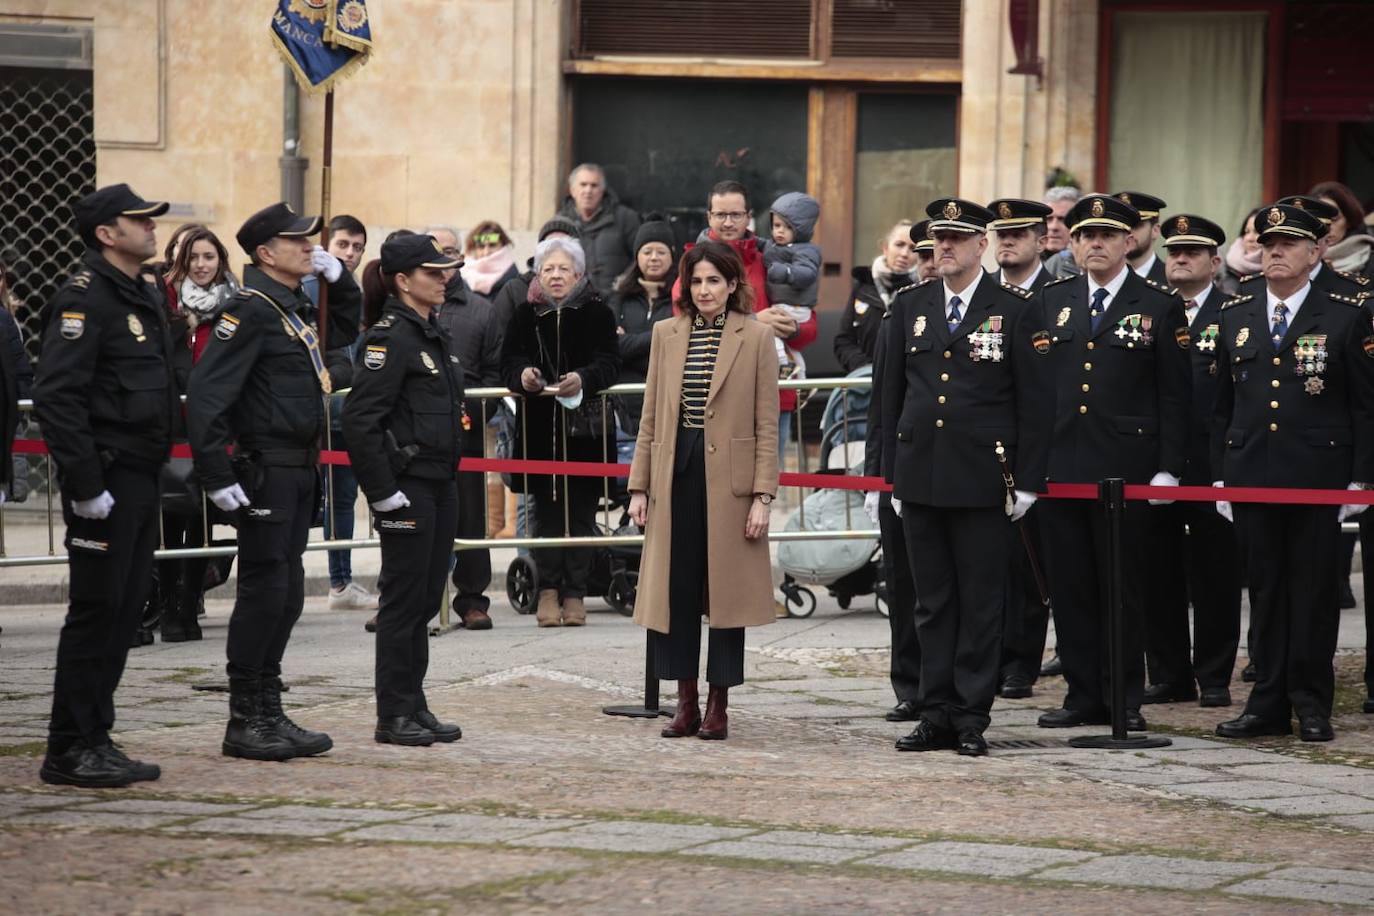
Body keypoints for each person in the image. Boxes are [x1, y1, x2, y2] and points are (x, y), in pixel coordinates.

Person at [188, 201, 360, 761]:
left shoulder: (291, 307)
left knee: (285, 596)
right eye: (298, 240)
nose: (311, 247)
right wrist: (215, 472)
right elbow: (209, 398)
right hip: (267, 468)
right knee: (264, 592)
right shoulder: (250, 311)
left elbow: (343, 333)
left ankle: (269, 706)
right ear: (266, 253)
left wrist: (347, 282)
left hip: (300, 466)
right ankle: (244, 719)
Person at [879, 199, 1048, 756]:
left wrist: (1027, 483)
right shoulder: (911, 306)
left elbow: (1035, 401)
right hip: (921, 474)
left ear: (982, 245)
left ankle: (971, 714)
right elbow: (892, 396)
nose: (943, 248)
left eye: (955, 238)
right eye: (937, 239)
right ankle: (935, 711)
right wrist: (890, 477)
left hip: (983, 475)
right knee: (931, 603)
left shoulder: (1016, 309)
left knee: (980, 602)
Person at [1212, 202, 1374, 742]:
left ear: (1318, 250)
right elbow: (1220, 406)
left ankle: (1310, 702)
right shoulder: (1235, 313)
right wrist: (1220, 475)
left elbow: (1364, 404)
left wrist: (1359, 478)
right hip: (1252, 469)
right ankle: (1266, 702)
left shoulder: (1348, 312)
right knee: (1265, 589)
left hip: (1317, 474)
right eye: (1267, 243)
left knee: (1311, 592)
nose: (1274, 252)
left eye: (1287, 244)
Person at [35, 183, 174, 787]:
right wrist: (86, 482)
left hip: (141, 474)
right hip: (107, 477)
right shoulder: (84, 299)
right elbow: (57, 396)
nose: (150, 227)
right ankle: (67, 747)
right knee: (97, 610)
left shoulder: (140, 294)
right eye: (137, 220)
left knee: (124, 611)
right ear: (106, 234)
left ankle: (96, 735)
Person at [1034, 193, 1190, 732]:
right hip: (1061, 467)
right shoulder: (1052, 300)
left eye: (1105, 235)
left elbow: (1175, 395)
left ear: (1129, 241)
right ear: (1073, 244)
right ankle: (1083, 695)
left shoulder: (1159, 304)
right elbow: (1035, 389)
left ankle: (1124, 698)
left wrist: (1169, 466)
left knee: (1121, 590)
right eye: (1083, 236)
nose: (1093, 244)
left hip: (1126, 468)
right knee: (1071, 588)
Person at [628, 241, 779, 740]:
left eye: (715, 280)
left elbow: (766, 422)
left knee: (726, 594)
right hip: (677, 469)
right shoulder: (666, 334)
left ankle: (719, 704)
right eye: (696, 281)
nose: (705, 289)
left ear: (732, 284)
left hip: (731, 482)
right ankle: (685, 701)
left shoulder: (755, 337)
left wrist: (763, 495)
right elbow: (651, 416)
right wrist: (640, 487)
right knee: (678, 589)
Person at [343, 234, 466, 746]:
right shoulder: (390, 337)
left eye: (445, 271)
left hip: (440, 483)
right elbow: (360, 420)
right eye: (432, 272)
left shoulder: (429, 333)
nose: (443, 278)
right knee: (402, 602)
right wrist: (382, 491)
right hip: (408, 486)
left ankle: (414, 703)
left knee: (424, 602)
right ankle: (392, 713)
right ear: (402, 281)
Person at [1141, 215, 1242, 708]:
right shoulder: (1149, 311)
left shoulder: (1231, 312)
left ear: (1214, 262)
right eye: (1174, 252)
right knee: (1156, 574)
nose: (1180, 259)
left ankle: (1215, 674)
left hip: (1208, 463)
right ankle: (1168, 672)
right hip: (1156, 462)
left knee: (1215, 575)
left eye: (1192, 253)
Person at [500, 236, 621, 627]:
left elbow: (609, 363)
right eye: (548, 268)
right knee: (545, 515)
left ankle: (576, 593)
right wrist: (523, 375)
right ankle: (548, 591)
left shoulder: (598, 312)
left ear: (578, 274)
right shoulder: (524, 314)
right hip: (539, 429)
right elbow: (508, 361)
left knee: (582, 514)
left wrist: (584, 378)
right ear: (538, 273)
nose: (555, 276)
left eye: (563, 269)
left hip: (585, 429)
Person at [680, 181, 817, 459]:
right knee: (721, 487)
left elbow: (810, 327)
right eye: (720, 214)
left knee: (768, 486)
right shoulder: (694, 262)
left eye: (735, 215)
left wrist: (793, 328)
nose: (728, 222)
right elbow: (684, 325)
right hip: (716, 391)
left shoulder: (773, 257)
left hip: (772, 391)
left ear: (749, 216)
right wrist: (755, 322)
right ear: (709, 216)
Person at [985, 199, 1055, 699]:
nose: (1007, 241)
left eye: (1019, 233)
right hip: (990, 449)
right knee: (991, 562)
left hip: (1045, 445)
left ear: (1042, 240)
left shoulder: (1058, 295)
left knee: (1035, 564)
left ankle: (1021, 663)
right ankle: (989, 656)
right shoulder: (982, 295)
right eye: (1000, 234)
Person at [158, 224, 239, 642]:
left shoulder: (235, 303)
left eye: (209, 257)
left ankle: (189, 603)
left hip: (217, 431)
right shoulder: (166, 303)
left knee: (205, 522)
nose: (202, 265)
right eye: (194, 258)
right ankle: (167, 603)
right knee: (172, 518)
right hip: (175, 429)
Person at [434, 231, 503, 631]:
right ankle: (403, 596)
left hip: (466, 430)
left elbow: (493, 373)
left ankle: (473, 599)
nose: (439, 262)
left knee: (471, 515)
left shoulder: (481, 310)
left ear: (459, 258)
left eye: (446, 252)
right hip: (416, 432)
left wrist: (474, 412)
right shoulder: (406, 308)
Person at [313, 214, 377, 613]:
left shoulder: (350, 289)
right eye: (343, 245)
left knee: (346, 498)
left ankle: (343, 581)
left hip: (353, 415)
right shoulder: (316, 284)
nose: (350, 254)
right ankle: (338, 580)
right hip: (321, 415)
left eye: (357, 247)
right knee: (331, 499)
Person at [611, 214, 678, 463]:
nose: (653, 258)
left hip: (668, 406)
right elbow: (611, 347)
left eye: (660, 252)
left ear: (672, 255)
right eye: (647, 251)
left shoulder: (682, 298)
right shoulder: (618, 299)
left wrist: (630, 344)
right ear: (637, 256)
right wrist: (659, 337)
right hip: (625, 408)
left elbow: (679, 343)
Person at [834, 220, 920, 373]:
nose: (904, 254)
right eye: (899, 244)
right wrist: (866, 369)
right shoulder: (863, 285)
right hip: (865, 381)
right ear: (885, 248)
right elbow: (843, 341)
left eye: (912, 248)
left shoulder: (921, 289)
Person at [762, 191, 822, 379]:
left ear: (801, 229)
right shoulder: (775, 246)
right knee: (788, 346)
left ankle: (784, 363)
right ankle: (801, 380)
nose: (779, 231)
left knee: (770, 332)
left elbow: (807, 273)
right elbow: (759, 244)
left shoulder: (806, 251)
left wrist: (785, 272)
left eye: (787, 227)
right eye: (776, 225)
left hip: (794, 306)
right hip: (787, 304)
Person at [557, 163, 642, 296]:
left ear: (602, 191)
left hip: (617, 301)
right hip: (573, 302)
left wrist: (624, 282)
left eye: (594, 185)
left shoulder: (626, 218)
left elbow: (640, 257)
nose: (588, 190)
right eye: (583, 185)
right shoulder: (559, 224)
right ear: (572, 190)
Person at [989, 199, 1053, 292]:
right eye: (1001, 235)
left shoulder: (1061, 293)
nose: (1006, 242)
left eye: (1017, 235)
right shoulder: (979, 290)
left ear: (1041, 243)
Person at [1113, 191, 1169, 285]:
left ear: (1155, 230)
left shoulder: (1170, 280)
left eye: (1135, 226)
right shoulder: (1105, 277)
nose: (1128, 233)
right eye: (1122, 227)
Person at [461, 220, 520, 298]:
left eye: (492, 245)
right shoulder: (461, 281)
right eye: (481, 246)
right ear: (474, 249)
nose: (486, 252)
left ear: (503, 246)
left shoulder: (517, 283)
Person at [1042, 186, 1082, 280]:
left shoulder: (1088, 267)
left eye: (1062, 220)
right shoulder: (1026, 263)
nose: (1053, 227)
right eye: (1049, 219)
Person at [1220, 207, 1263, 296]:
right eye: (1246, 232)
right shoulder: (1224, 271)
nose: (1249, 238)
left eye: (1257, 232)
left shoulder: (1276, 275)